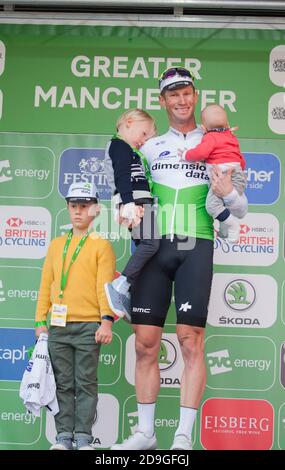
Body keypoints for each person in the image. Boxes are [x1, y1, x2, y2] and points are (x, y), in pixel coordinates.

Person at [111, 67, 247, 451]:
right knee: (145, 343)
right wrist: (125, 212)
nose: (182, 100)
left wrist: (229, 194)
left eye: (187, 92)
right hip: (154, 242)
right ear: (163, 101)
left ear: (195, 95)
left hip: (197, 242)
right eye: (173, 94)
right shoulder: (149, 146)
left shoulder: (218, 139)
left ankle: (183, 436)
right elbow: (128, 186)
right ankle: (146, 433)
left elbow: (239, 207)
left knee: (190, 341)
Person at [34, 181, 116, 451]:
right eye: (73, 206)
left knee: (86, 383)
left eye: (84, 206)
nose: (78, 212)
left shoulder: (101, 246)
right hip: (57, 326)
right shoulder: (57, 244)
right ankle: (63, 438)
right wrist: (39, 321)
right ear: (68, 208)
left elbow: (105, 287)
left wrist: (106, 320)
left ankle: (83, 438)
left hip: (89, 327)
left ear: (95, 210)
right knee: (62, 384)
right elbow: (46, 283)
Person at [104, 108, 159, 320]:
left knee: (147, 247)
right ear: (128, 122)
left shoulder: (129, 149)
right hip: (135, 202)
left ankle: (128, 294)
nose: (144, 141)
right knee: (151, 244)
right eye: (144, 134)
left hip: (139, 201)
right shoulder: (119, 145)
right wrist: (128, 203)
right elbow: (122, 175)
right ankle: (121, 284)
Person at [179, 103, 247, 243]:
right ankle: (224, 229)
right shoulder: (231, 137)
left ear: (203, 128)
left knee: (212, 206)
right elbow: (241, 160)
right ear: (227, 124)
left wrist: (186, 154)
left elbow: (201, 152)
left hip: (222, 175)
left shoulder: (210, 137)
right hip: (238, 174)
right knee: (224, 203)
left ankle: (232, 226)